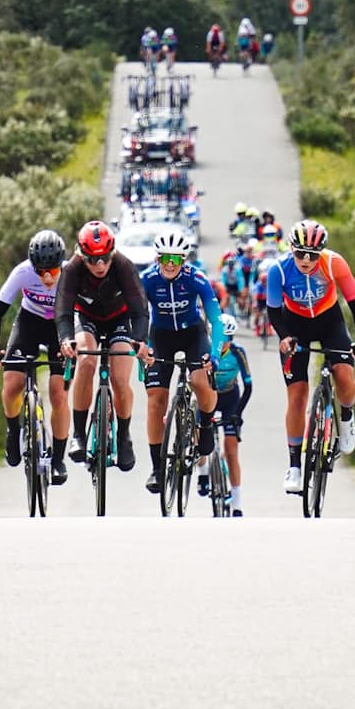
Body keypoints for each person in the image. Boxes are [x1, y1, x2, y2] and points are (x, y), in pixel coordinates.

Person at [266, 219, 355, 497]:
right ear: (291, 249)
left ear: (321, 252)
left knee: (345, 376)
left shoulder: (334, 263)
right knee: (297, 395)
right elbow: (274, 311)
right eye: (300, 253)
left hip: (329, 321)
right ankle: (294, 467)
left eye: (312, 255)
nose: (306, 260)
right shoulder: (279, 270)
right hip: (295, 324)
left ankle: (346, 417)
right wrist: (284, 337)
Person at [55, 219, 149, 473]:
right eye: (93, 259)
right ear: (81, 255)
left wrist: (140, 340)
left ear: (113, 253)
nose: (100, 265)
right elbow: (62, 311)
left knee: (120, 379)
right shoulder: (72, 269)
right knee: (85, 361)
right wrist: (65, 339)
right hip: (86, 318)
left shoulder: (124, 267)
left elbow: (140, 311)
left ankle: (124, 436)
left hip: (119, 319)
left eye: (105, 258)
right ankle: (79, 434)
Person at [140, 225, 223, 497]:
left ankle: (207, 421)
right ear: (157, 258)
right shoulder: (147, 280)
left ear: (184, 260)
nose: (170, 264)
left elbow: (215, 319)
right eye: (165, 258)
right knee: (155, 401)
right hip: (161, 335)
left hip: (192, 334)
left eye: (175, 259)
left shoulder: (196, 279)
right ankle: (157, 468)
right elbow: (137, 316)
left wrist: (215, 352)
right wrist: (140, 345)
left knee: (200, 379)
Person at [0, 229, 71, 485]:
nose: (46, 278)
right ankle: (14, 432)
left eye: (52, 272)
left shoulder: (71, 274)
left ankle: (57, 460)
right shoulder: (22, 272)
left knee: (58, 393)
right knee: (12, 384)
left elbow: (88, 311)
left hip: (60, 327)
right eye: (40, 272)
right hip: (29, 323)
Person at [198, 312, 253, 514]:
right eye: (221, 338)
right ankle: (203, 474)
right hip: (209, 396)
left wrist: (238, 414)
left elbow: (248, 386)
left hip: (231, 399)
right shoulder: (204, 352)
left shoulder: (238, 353)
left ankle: (237, 503)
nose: (225, 343)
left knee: (231, 451)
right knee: (199, 435)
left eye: (229, 339)